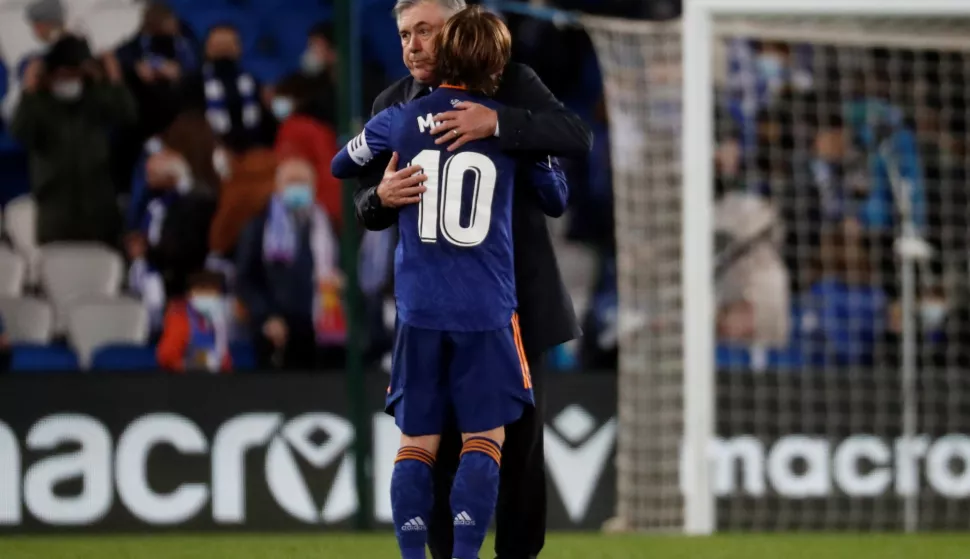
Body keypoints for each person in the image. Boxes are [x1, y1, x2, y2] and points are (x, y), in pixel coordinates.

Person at [353, 1, 590, 557]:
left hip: (514, 305)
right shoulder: (391, 103)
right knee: (437, 450)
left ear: (458, 29)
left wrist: (500, 121)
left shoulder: (512, 84)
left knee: (519, 453)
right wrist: (378, 199)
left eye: (426, 31)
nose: (412, 45)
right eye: (406, 33)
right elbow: (367, 201)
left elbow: (576, 135)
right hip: (432, 308)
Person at [11, 36, 136, 246]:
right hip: (56, 213)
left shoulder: (95, 98)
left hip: (100, 212)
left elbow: (127, 116)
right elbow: (20, 132)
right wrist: (28, 89)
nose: (70, 79)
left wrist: (114, 79)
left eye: (75, 73)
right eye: (64, 74)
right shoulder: (39, 104)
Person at [235, 158, 344, 371]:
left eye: (303, 182)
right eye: (291, 182)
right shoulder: (259, 227)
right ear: (278, 187)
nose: (297, 188)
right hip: (276, 331)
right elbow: (245, 278)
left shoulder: (325, 226)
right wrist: (266, 316)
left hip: (320, 329)